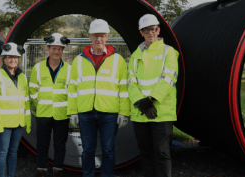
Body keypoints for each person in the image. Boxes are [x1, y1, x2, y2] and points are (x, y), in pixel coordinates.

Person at [67, 19, 130, 177]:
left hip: (109, 113)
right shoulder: (79, 61)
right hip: (85, 112)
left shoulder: (118, 60)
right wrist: (72, 111)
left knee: (108, 149)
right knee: (87, 149)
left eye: (102, 35)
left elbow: (123, 88)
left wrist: (124, 112)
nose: (98, 39)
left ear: (107, 36)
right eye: (95, 35)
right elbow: (72, 88)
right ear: (90, 37)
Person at [127, 14, 179, 177]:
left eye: (153, 29)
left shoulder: (168, 52)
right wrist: (140, 103)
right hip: (141, 112)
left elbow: (169, 78)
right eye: (147, 30)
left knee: (162, 154)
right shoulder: (136, 55)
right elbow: (131, 82)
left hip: (161, 112)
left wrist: (151, 100)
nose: (151, 32)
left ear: (158, 30)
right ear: (141, 32)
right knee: (146, 154)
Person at [0, 42, 31, 177]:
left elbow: (26, 100)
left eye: (16, 57)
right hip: (3, 124)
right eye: (9, 57)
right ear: (4, 59)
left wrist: (27, 121)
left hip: (18, 123)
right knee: (2, 152)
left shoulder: (22, 76)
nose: (13, 60)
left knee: (13, 152)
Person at [29, 33, 71, 177]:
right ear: (48, 49)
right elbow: (33, 89)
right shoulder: (38, 67)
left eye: (59, 49)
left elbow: (72, 91)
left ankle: (58, 169)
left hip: (62, 113)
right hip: (43, 113)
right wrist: (39, 104)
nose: (56, 52)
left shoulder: (70, 69)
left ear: (62, 51)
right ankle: (41, 168)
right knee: (42, 144)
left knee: (60, 144)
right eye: (53, 48)